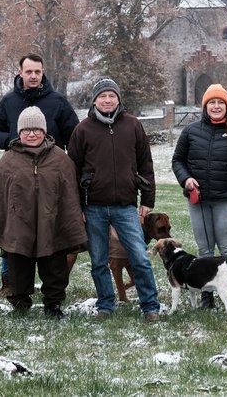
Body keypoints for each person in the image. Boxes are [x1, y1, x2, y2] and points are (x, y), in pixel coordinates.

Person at [0, 107, 87, 319]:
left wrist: (72, 219)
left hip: (52, 223)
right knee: (18, 265)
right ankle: (20, 302)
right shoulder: (9, 160)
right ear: (19, 132)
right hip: (18, 223)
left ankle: (53, 304)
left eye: (36, 129)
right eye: (26, 130)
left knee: (54, 267)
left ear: (44, 131)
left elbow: (71, 194)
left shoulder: (60, 159)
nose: (32, 134)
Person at [0, 53, 80, 295]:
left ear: (43, 72)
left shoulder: (57, 102)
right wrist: (12, 141)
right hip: (19, 174)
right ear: (20, 73)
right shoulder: (9, 101)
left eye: (37, 71)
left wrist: (66, 165)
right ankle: (11, 284)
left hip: (50, 175)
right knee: (14, 231)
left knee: (51, 232)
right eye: (29, 72)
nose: (33, 76)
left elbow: (75, 137)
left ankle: (54, 288)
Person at [67, 78, 161, 322]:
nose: (107, 100)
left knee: (139, 256)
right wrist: (78, 206)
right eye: (102, 96)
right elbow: (72, 171)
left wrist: (147, 199)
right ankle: (105, 305)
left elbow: (146, 165)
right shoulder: (83, 129)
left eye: (111, 96)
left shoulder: (133, 126)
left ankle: (150, 305)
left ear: (118, 99)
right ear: (95, 100)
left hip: (126, 206)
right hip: (94, 206)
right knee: (99, 260)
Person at [171, 83, 227, 309]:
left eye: (220, 102)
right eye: (212, 103)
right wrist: (185, 178)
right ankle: (206, 294)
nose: (216, 106)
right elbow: (177, 160)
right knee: (204, 249)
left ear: (226, 106)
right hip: (198, 201)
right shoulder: (190, 131)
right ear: (205, 106)